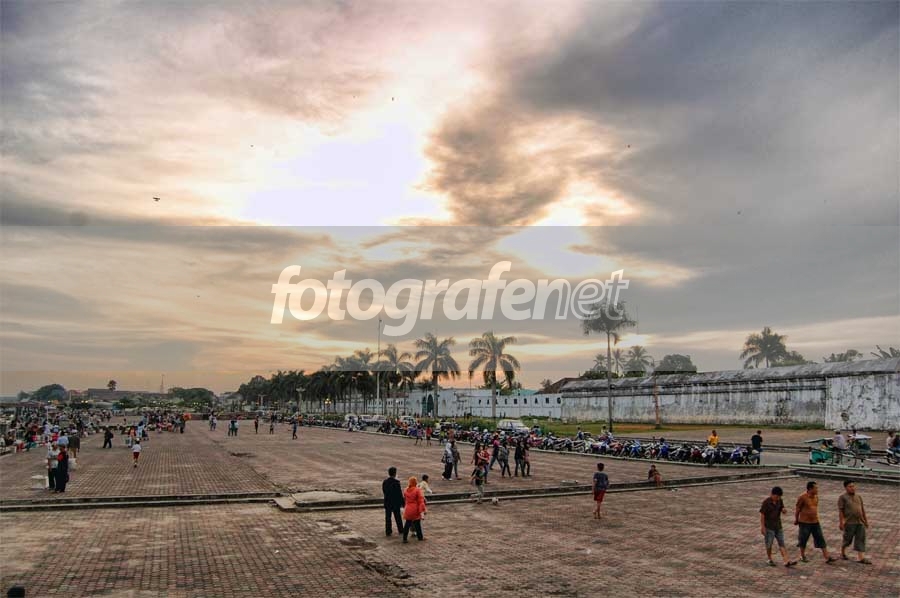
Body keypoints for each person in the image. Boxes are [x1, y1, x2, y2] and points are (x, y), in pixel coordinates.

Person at [794, 481, 836, 564]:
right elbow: (798, 509)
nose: (817, 490)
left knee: (820, 538)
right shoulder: (802, 497)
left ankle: (827, 556)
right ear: (810, 489)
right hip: (805, 522)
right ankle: (802, 555)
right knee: (803, 539)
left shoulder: (816, 497)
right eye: (815, 488)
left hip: (815, 521)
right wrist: (796, 519)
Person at [760, 486, 798, 567]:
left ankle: (786, 560)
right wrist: (763, 527)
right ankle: (769, 559)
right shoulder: (766, 502)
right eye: (777, 496)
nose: (778, 498)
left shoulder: (779, 500)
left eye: (779, 497)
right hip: (769, 527)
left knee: (781, 543)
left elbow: (782, 507)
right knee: (769, 544)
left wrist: (783, 510)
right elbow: (762, 515)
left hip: (778, 526)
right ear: (772, 494)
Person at [838, 480, 871, 564]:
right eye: (850, 486)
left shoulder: (858, 496)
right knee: (847, 539)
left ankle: (861, 557)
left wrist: (865, 521)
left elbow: (862, 509)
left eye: (853, 486)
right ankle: (842, 553)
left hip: (860, 522)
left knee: (860, 539)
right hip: (849, 522)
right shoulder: (842, 497)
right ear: (845, 488)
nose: (852, 488)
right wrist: (841, 522)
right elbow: (841, 511)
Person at [402, 476, 426, 543]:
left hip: (408, 508)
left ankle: (404, 538)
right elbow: (421, 501)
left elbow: (405, 498)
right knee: (417, 524)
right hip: (415, 509)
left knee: (407, 524)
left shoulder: (406, 490)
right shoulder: (417, 490)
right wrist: (422, 510)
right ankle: (420, 537)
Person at [382, 467, 404, 537]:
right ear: (395, 473)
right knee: (398, 517)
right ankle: (400, 529)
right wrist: (402, 503)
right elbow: (399, 494)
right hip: (395, 502)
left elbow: (384, 491)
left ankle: (388, 531)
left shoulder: (385, 482)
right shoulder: (396, 482)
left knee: (388, 517)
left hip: (388, 501)